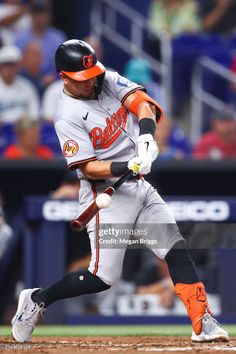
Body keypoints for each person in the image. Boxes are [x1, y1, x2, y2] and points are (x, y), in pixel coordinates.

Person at [11, 39, 228, 343]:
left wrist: (147, 138)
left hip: (138, 185)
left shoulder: (106, 79)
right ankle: (37, 300)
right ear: (64, 77)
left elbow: (143, 103)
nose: (91, 83)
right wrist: (124, 165)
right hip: (106, 196)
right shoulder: (67, 116)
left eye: (92, 76)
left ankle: (202, 322)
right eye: (82, 80)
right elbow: (86, 168)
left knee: (175, 249)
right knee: (102, 278)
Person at [0, 45, 40, 124]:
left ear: (18, 66)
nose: (10, 68)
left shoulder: (27, 86)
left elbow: (35, 114)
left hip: (23, 130)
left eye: (13, 65)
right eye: (7, 65)